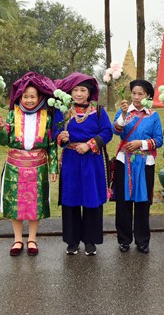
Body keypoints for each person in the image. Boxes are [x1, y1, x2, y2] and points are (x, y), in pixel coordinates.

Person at [0, 72, 58, 256]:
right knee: (15, 204)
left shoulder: (47, 117)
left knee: (35, 204)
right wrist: (0, 128)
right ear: (19, 97)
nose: (29, 100)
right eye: (25, 96)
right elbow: (3, 140)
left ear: (39, 97)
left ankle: (32, 239)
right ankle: (17, 239)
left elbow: (52, 145)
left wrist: (53, 167)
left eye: (32, 97)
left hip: (38, 166)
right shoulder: (12, 115)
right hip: (15, 166)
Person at [54, 72, 113, 256]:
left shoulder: (99, 111)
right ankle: (72, 241)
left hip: (91, 160)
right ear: (70, 92)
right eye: (75, 90)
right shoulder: (63, 111)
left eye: (83, 90)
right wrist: (61, 138)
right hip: (71, 160)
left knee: (91, 199)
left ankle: (90, 241)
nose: (79, 94)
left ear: (90, 93)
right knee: (71, 200)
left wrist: (89, 145)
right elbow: (53, 133)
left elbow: (107, 132)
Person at [113, 79, 163, 254]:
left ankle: (142, 241)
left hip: (145, 162)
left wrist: (140, 143)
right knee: (123, 202)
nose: (136, 97)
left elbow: (159, 140)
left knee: (143, 203)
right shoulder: (124, 111)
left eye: (140, 94)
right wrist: (124, 115)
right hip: (124, 161)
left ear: (148, 95)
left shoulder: (153, 115)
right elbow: (116, 131)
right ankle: (124, 240)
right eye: (134, 93)